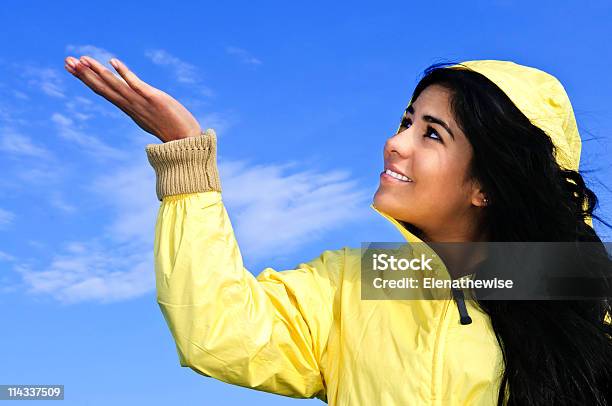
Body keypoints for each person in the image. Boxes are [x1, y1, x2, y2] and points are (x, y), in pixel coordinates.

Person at [64, 56, 612, 405]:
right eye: (406, 121)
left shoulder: (583, 301)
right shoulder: (355, 281)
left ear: (487, 186)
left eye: (433, 134)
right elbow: (220, 332)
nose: (395, 143)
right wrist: (187, 160)